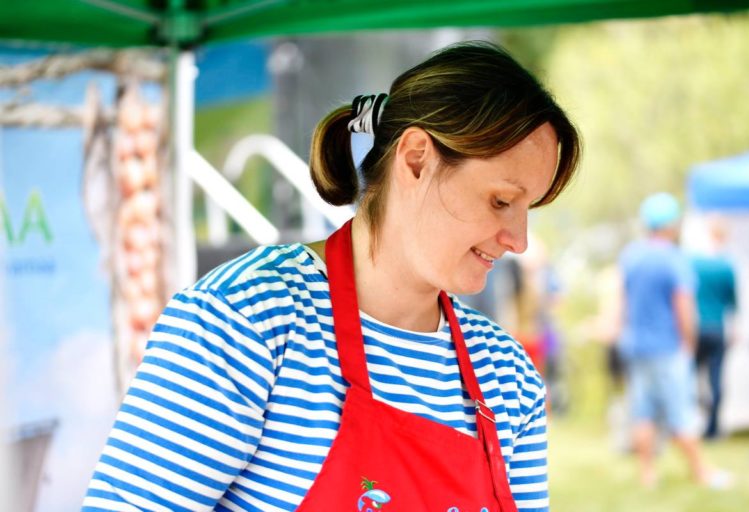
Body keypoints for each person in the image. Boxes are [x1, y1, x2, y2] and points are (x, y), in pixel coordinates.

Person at [81, 41, 580, 512]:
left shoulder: (508, 377)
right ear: (415, 160)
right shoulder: (249, 320)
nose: (519, 240)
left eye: (528, 209)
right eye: (500, 201)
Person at [618, 193, 729, 489]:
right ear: (671, 224)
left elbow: (623, 301)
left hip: (636, 345)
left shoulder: (631, 255)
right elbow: (684, 307)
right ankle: (702, 472)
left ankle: (647, 474)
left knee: (642, 412)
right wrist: (688, 343)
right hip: (667, 347)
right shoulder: (675, 258)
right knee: (681, 412)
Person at [690, 218, 737, 440]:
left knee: (690, 377)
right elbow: (732, 302)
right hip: (717, 328)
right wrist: (734, 329)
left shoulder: (694, 262)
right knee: (716, 379)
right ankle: (713, 427)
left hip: (696, 326)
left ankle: (691, 422)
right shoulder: (726, 266)